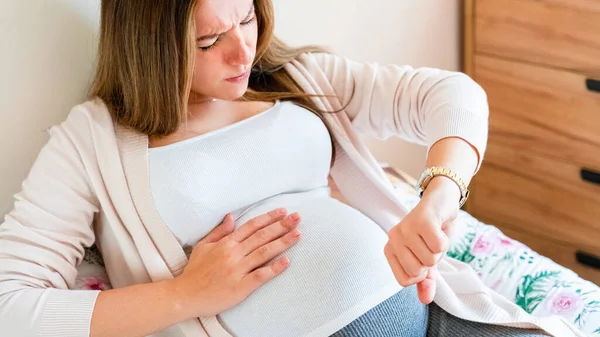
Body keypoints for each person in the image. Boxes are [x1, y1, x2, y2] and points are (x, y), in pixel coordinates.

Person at [0, 0, 586, 336]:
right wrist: (183, 295)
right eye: (208, 41)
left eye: (248, 19)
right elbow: (12, 305)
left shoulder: (300, 80)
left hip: (431, 320)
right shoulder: (92, 140)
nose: (242, 53)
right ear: (149, 43)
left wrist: (435, 201)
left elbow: (453, 96)